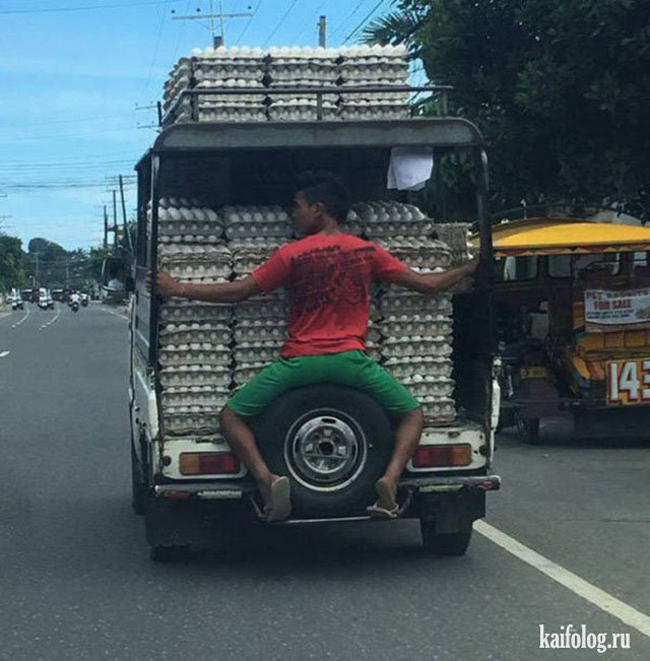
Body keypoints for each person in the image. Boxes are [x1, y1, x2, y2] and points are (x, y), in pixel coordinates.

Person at [150, 175, 477, 522]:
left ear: (318, 210)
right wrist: (469, 267)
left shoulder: (292, 254)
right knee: (413, 413)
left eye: (298, 206)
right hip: (351, 362)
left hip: (300, 362)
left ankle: (267, 480)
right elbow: (426, 285)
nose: (293, 214)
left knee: (231, 416)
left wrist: (179, 289)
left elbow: (240, 291)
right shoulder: (365, 252)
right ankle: (389, 481)